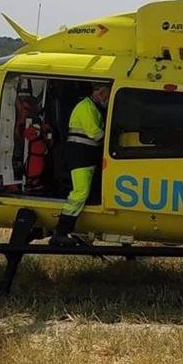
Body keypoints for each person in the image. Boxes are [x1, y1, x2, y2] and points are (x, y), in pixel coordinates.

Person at [53, 83, 110, 244]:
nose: (107, 98)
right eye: (106, 94)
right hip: (80, 156)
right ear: (99, 92)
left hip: (86, 156)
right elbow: (95, 133)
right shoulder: (86, 107)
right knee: (80, 192)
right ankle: (61, 231)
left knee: (87, 191)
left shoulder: (93, 107)